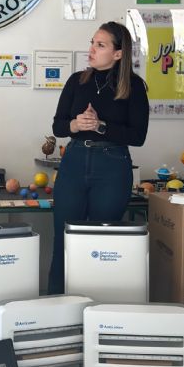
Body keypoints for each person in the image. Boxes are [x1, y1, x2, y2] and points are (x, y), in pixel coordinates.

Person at [48, 21, 149, 294]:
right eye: (92, 42)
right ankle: (57, 307)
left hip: (112, 166)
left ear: (118, 54)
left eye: (100, 45)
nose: (91, 49)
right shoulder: (76, 81)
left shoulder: (134, 87)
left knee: (102, 240)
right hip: (75, 161)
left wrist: (100, 126)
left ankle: (98, 309)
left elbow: (138, 136)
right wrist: (76, 125)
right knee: (65, 239)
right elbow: (58, 126)